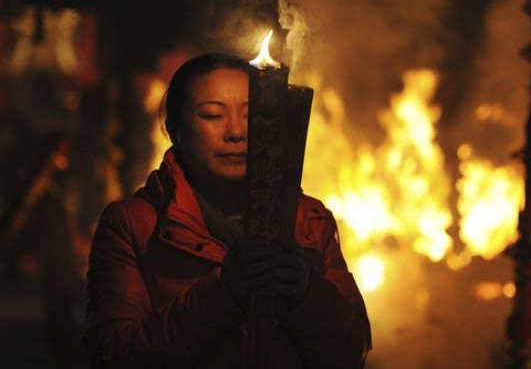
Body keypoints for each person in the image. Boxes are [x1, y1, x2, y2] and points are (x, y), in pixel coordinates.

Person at [84, 52, 372, 368]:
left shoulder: (309, 221)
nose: (236, 132)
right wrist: (222, 294)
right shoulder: (132, 225)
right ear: (174, 129)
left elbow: (351, 351)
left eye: (252, 114)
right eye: (212, 115)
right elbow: (113, 354)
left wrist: (305, 291)